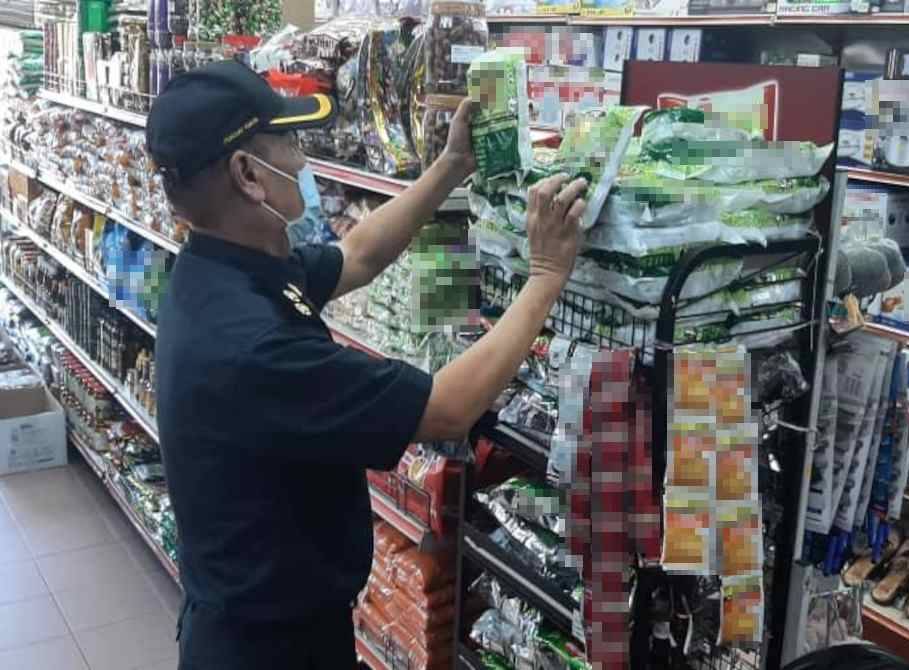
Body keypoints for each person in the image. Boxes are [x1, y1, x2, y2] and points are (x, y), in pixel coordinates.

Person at [146, 60, 588, 669]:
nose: (302, 163)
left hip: (267, 624)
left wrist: (449, 167)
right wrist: (546, 277)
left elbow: (356, 255)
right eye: (289, 144)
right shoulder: (250, 347)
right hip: (269, 650)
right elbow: (448, 410)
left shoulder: (223, 269)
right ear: (248, 174)